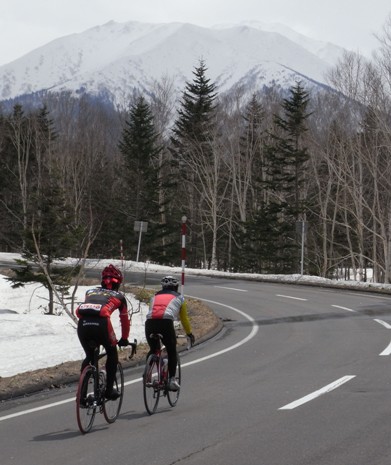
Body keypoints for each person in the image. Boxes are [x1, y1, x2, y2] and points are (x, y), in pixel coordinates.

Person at [76, 264, 131, 400]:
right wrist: (124, 338)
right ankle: (108, 391)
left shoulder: (90, 291)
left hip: (83, 324)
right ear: (118, 283)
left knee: (89, 356)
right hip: (101, 324)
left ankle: (81, 396)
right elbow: (124, 320)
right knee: (112, 353)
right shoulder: (120, 296)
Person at [145, 275, 195, 391]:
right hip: (166, 323)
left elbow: (152, 312)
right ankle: (172, 379)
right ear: (176, 287)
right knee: (171, 350)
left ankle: (147, 374)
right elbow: (184, 319)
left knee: (154, 349)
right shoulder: (180, 298)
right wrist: (189, 333)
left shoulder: (154, 296)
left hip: (150, 323)